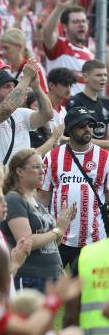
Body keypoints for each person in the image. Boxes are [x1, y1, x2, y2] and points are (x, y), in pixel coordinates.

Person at [0, 243, 79, 335]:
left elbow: (34, 333)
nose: (7, 271)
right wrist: (54, 300)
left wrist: (15, 263)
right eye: (4, 266)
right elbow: (30, 330)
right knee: (74, 334)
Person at [42, 107, 109, 267]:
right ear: (70, 130)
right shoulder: (52, 157)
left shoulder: (105, 158)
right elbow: (43, 198)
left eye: (90, 124)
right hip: (58, 237)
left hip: (94, 239)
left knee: (87, 288)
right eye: (81, 125)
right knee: (55, 286)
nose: (87, 128)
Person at [2, 149, 72, 292]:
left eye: (43, 167)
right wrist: (57, 230)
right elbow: (26, 241)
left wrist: (61, 227)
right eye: (36, 167)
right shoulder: (14, 199)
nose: (42, 171)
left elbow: (51, 244)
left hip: (49, 277)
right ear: (19, 171)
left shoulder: (35, 202)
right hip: (29, 277)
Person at [0, 64, 52, 167]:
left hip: (19, 180)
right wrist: (26, 78)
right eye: (7, 86)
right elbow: (7, 108)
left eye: (15, 86)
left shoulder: (22, 113)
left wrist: (36, 87)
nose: (13, 89)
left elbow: (47, 114)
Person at [42, 0, 94, 95]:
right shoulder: (59, 46)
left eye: (83, 21)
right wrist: (59, 8)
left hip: (85, 109)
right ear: (65, 27)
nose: (81, 24)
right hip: (63, 109)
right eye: (76, 22)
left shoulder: (90, 55)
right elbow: (47, 33)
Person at [67, 60, 109, 147]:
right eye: (99, 75)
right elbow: (75, 138)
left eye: (105, 75)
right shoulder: (75, 102)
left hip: (102, 156)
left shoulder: (106, 103)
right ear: (85, 77)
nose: (103, 78)